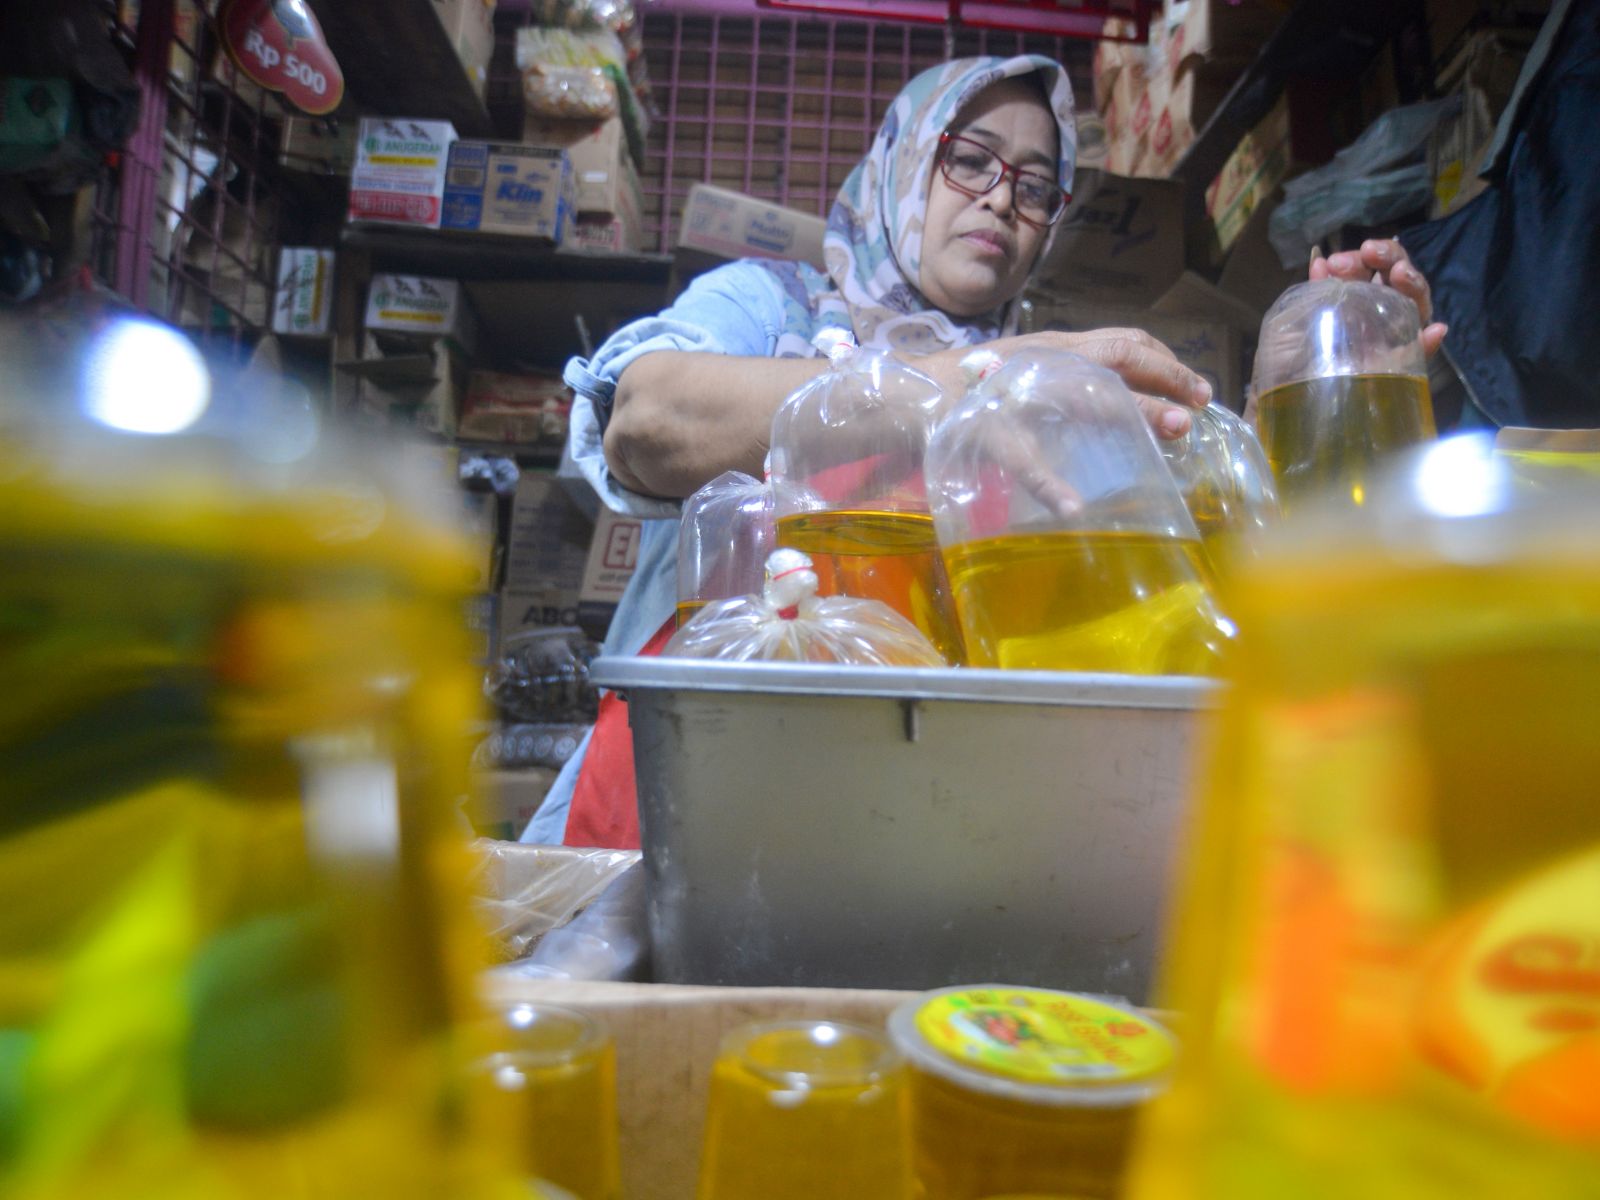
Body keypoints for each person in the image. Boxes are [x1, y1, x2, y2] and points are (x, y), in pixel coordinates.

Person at [524, 53, 1443, 848]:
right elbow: (645, 421)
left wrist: (1318, 378)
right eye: (970, 161)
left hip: (926, 820)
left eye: (1036, 185)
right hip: (695, 802)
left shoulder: (1056, 385)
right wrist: (958, 387)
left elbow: (1176, 585)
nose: (1002, 198)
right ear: (904, 166)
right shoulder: (772, 307)